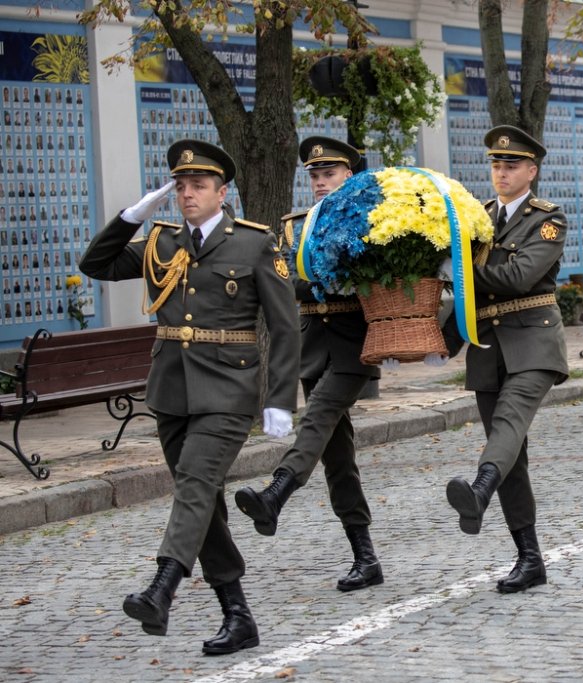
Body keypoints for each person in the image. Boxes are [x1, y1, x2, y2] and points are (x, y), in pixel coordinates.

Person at [78, 139, 300, 654]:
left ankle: (163, 587)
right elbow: (97, 264)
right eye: (180, 187)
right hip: (172, 388)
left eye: (198, 186)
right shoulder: (162, 241)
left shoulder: (254, 243)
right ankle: (238, 616)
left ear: (222, 193)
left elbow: (286, 328)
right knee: (205, 504)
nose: (187, 194)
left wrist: (280, 397)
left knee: (194, 486)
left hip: (228, 388)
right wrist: (132, 216)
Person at [234, 136, 386, 593]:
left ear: (349, 177)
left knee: (317, 416)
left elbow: (370, 280)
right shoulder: (292, 226)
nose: (321, 183)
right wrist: (321, 279)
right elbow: (284, 286)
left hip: (355, 343)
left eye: (330, 174)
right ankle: (365, 557)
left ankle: (277, 491)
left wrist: (312, 278)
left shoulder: (370, 221)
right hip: (312, 344)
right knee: (338, 458)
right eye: (315, 176)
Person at [444, 125, 568, 593]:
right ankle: (529, 558)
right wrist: (441, 337)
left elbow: (519, 276)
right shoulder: (476, 218)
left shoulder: (547, 218)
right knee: (512, 456)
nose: (501, 172)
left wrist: (463, 264)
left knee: (508, 426)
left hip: (534, 342)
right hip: (488, 349)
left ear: (531, 170)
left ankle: (478, 490)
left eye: (511, 165)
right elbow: (459, 291)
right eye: (496, 165)